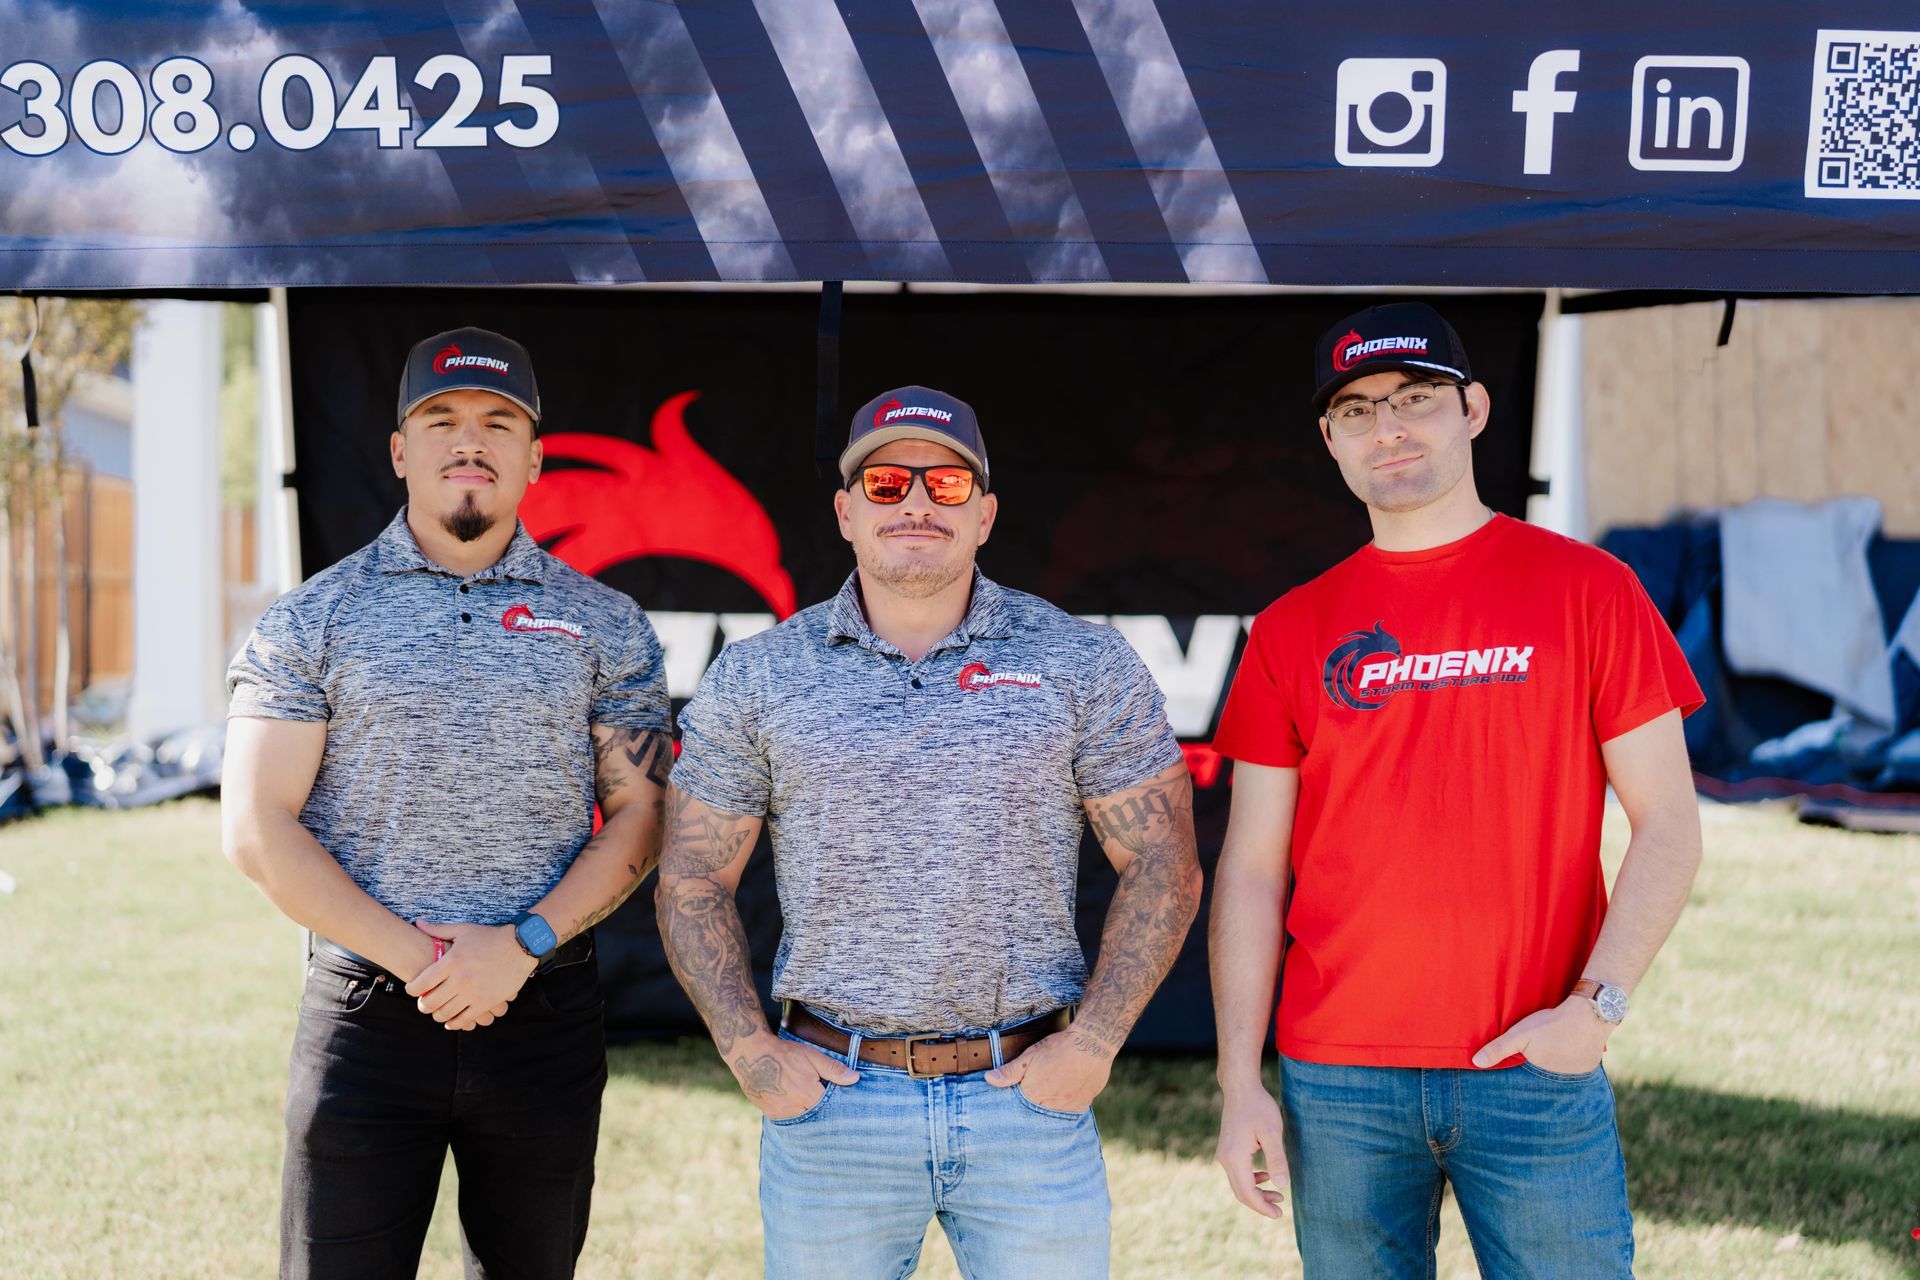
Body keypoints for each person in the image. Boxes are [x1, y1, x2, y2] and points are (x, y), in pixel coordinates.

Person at [656, 386, 1202, 1279]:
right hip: (834, 1103)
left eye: (946, 485)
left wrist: (1095, 1043)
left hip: (1028, 1098)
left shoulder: (1079, 660)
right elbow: (691, 877)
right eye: (885, 484)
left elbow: (1162, 860)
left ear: (984, 514)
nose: (914, 502)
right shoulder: (761, 674)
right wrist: (750, 1051)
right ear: (845, 511)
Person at [1209, 303, 1704, 1278]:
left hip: (1532, 1062)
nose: (1388, 426)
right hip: (1338, 1077)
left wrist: (1594, 1010)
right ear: (1330, 439)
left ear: (1474, 407)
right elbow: (1253, 869)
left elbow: (1669, 826)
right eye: (1358, 409)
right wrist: (1239, 1079)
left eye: (1416, 398)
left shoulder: (1590, 589)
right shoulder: (1289, 629)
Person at [222, 326, 672, 1280]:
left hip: (542, 1007)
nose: (470, 440)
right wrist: (425, 963)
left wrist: (515, 950)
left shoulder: (607, 625)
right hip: (366, 1012)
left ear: (536, 455)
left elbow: (640, 816)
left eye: (498, 421)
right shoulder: (314, 618)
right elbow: (257, 828)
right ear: (398, 449)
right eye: (442, 418)